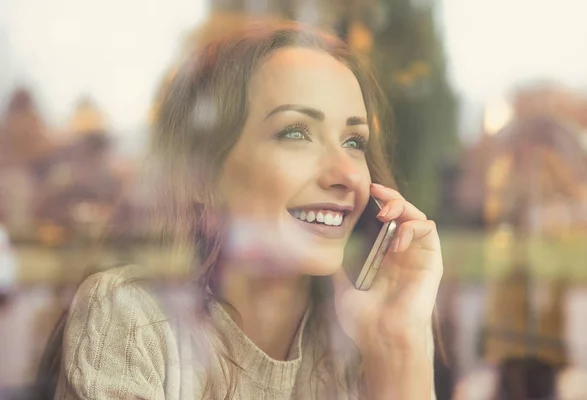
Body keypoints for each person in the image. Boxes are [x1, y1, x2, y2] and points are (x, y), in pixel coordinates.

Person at [41, 21, 443, 399]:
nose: (347, 176)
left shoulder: (371, 326)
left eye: (354, 141)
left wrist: (398, 344)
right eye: (296, 133)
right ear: (203, 176)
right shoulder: (133, 318)